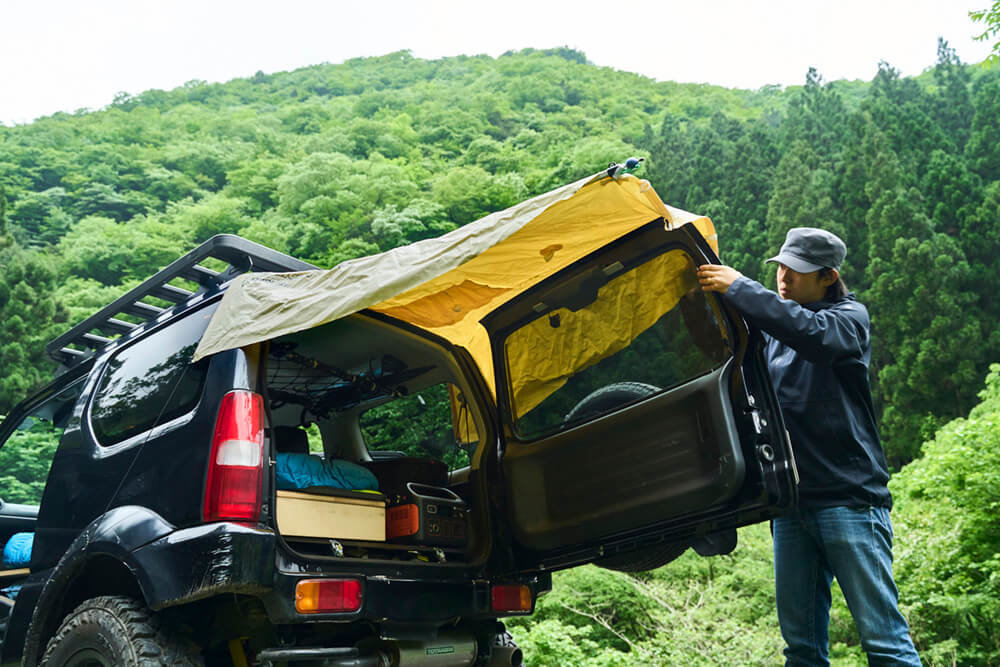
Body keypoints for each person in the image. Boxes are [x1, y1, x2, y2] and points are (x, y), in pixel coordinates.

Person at [697, 227, 921, 666]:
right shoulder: (778, 332)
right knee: (801, 651)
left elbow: (813, 334)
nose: (784, 276)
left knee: (885, 645)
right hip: (793, 510)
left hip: (849, 503)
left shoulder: (848, 319)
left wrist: (742, 288)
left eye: (797, 271)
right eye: (781, 267)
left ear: (828, 276)